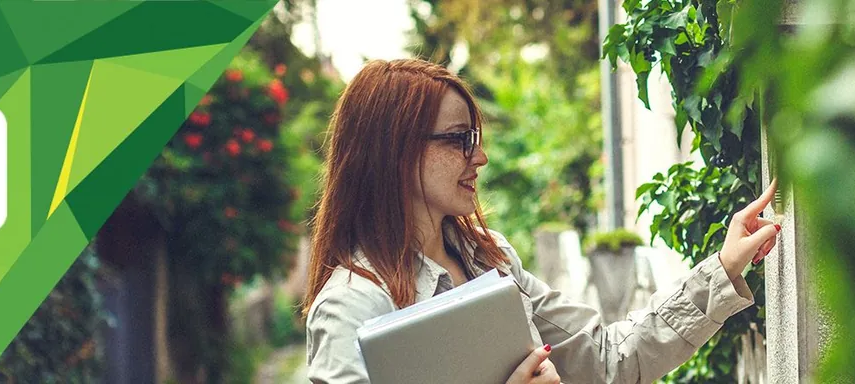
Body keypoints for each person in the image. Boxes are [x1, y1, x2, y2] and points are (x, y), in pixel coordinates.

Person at [302, 58, 782, 384]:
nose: (482, 157)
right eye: (460, 139)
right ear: (395, 151)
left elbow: (608, 359)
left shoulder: (491, 263)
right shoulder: (353, 306)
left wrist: (722, 268)